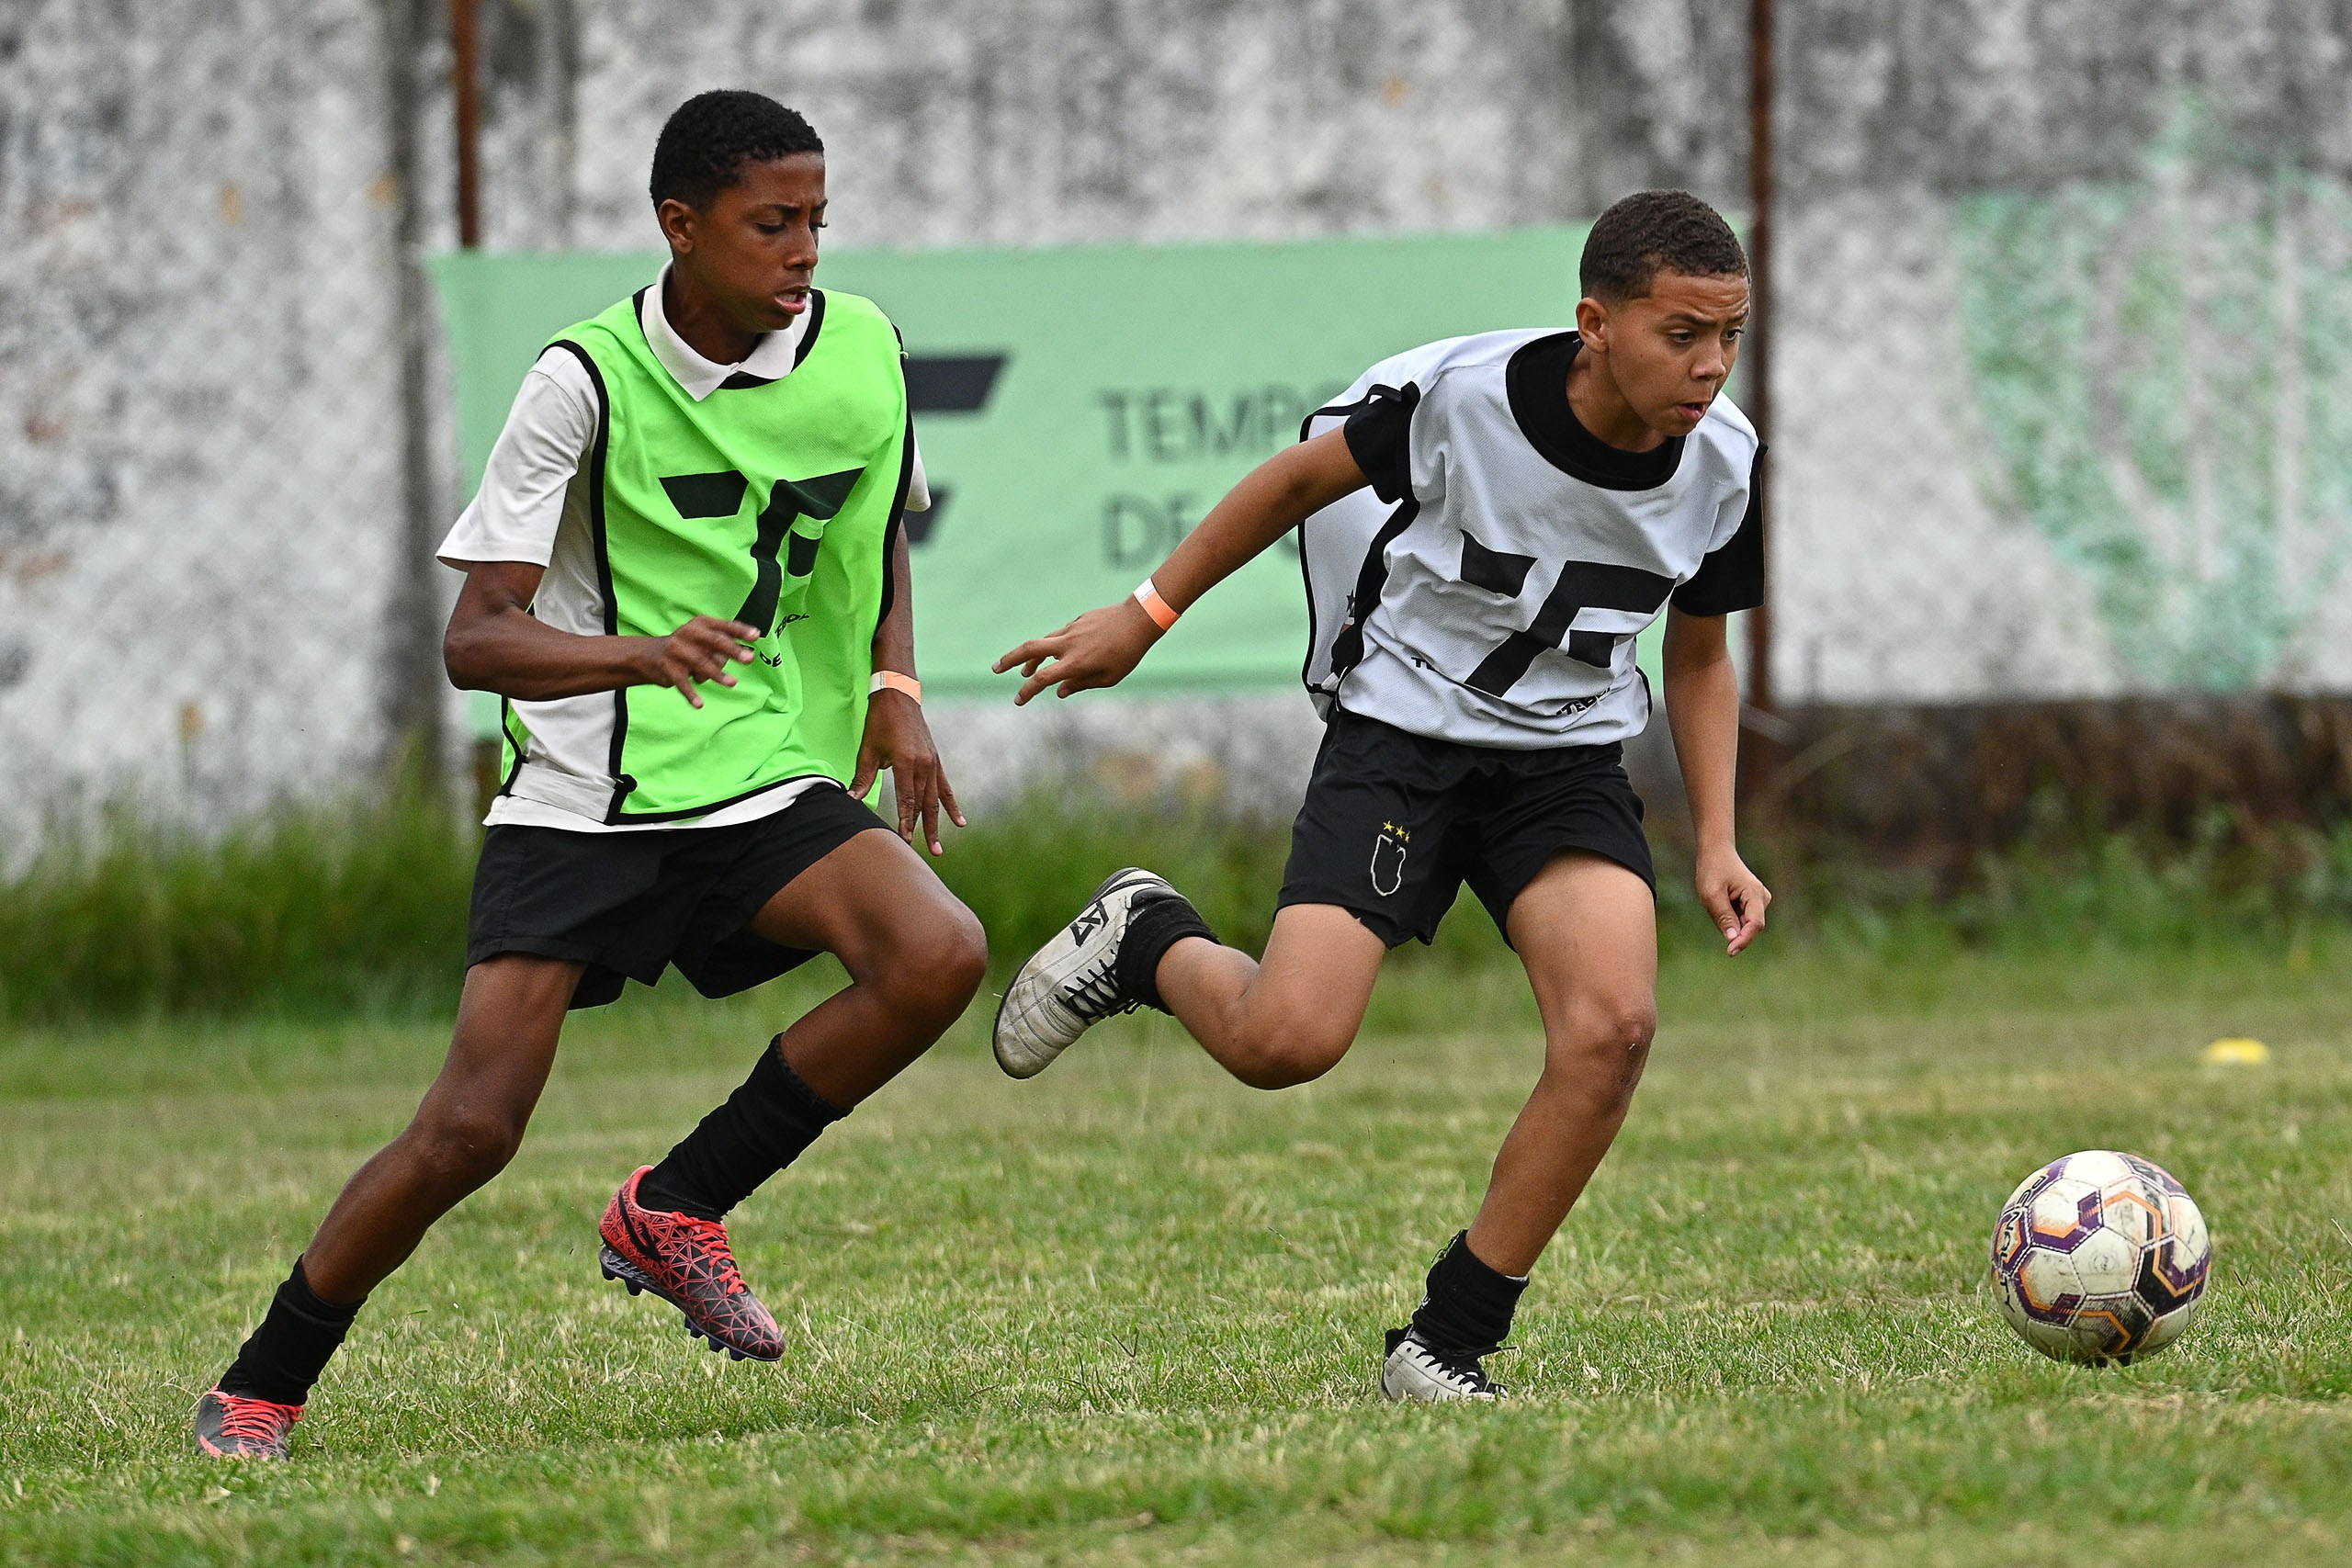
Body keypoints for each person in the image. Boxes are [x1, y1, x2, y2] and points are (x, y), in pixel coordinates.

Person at [195, 90, 985, 1461]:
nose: (803, 250)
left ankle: (676, 1206)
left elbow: (878, 526)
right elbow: (477, 640)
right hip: (587, 798)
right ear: (679, 226)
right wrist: (635, 654)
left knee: (935, 953)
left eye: (817, 219)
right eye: (770, 222)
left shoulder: (863, 346)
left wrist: (895, 690)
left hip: (751, 771)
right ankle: (261, 1381)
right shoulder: (583, 380)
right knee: (471, 1130)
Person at [990, 190, 1771, 1402]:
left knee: (1612, 1029)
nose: (1711, 365)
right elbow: (1295, 484)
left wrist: (1717, 838)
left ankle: (1445, 1343)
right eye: (1683, 333)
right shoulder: (1472, 405)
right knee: (1285, 1043)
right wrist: (1143, 618)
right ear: (1595, 324)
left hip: (1562, 765)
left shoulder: (1725, 462)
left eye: (1730, 334)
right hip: (1403, 737)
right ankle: (1147, 939)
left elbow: (1704, 654)